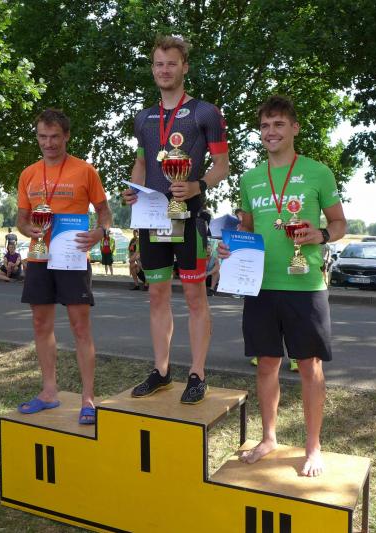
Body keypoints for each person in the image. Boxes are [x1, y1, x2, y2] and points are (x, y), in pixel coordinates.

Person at [218, 95, 347, 477]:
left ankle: (313, 447)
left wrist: (321, 234)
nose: (270, 132)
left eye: (278, 124)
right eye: (264, 126)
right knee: (267, 364)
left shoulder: (318, 172)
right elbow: (246, 228)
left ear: (294, 128)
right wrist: (231, 247)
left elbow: (339, 223)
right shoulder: (250, 178)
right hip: (260, 285)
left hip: (305, 285)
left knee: (309, 365)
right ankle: (269, 437)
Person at [122, 35, 230, 404]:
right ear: (152, 68)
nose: (164, 70)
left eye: (171, 63)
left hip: (190, 216)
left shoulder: (206, 113)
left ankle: (197, 374)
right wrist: (133, 191)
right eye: (159, 64)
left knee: (195, 296)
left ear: (184, 67)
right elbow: (141, 162)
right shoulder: (143, 118)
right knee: (156, 295)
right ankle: (162, 371)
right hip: (153, 218)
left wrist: (198, 184)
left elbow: (222, 165)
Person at [15, 108, 112, 426]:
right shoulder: (28, 174)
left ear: (67, 136)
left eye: (55, 136)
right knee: (40, 324)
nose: (49, 143)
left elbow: (104, 211)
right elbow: (21, 219)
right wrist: (27, 229)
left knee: (80, 327)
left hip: (72, 257)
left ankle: (88, 399)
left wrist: (100, 232)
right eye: (42, 137)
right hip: (39, 257)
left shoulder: (85, 171)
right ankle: (48, 392)